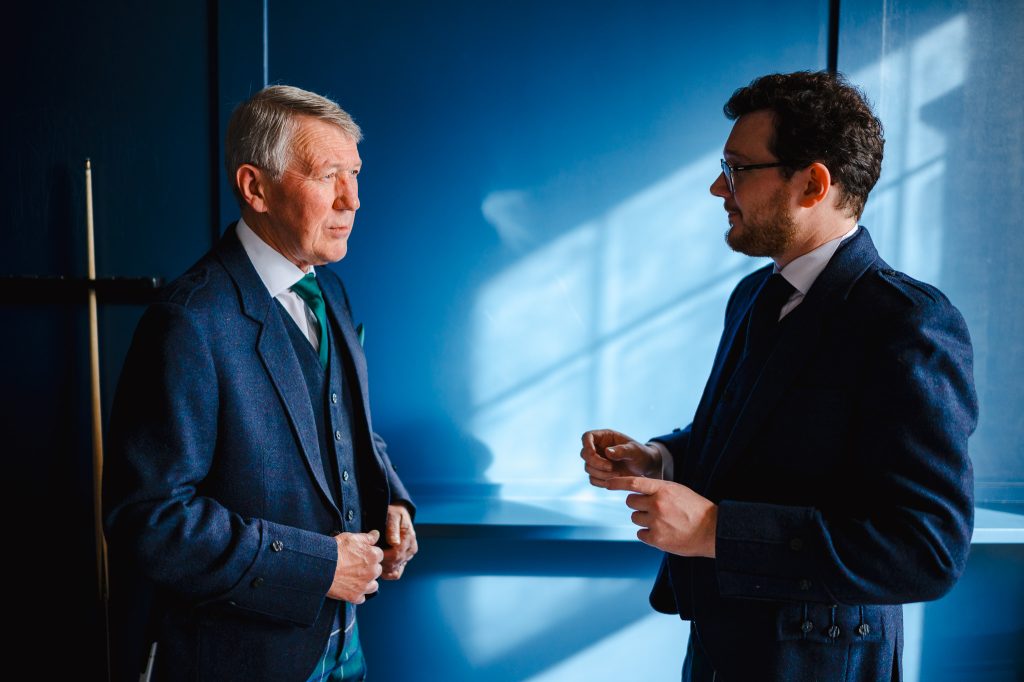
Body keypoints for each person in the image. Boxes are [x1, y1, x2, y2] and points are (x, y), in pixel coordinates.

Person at [580, 71, 976, 681]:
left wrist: (717, 530)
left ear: (812, 183)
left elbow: (926, 550)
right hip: (716, 651)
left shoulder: (909, 322)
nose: (718, 187)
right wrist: (659, 460)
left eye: (737, 169)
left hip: (819, 664)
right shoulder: (751, 297)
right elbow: (750, 435)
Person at [104, 85, 417, 682]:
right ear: (255, 187)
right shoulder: (187, 321)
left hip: (344, 648)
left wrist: (391, 498)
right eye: (330, 176)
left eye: (354, 174)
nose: (353, 199)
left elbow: (345, 425)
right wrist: (318, 565)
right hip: (238, 660)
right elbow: (150, 518)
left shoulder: (330, 290)